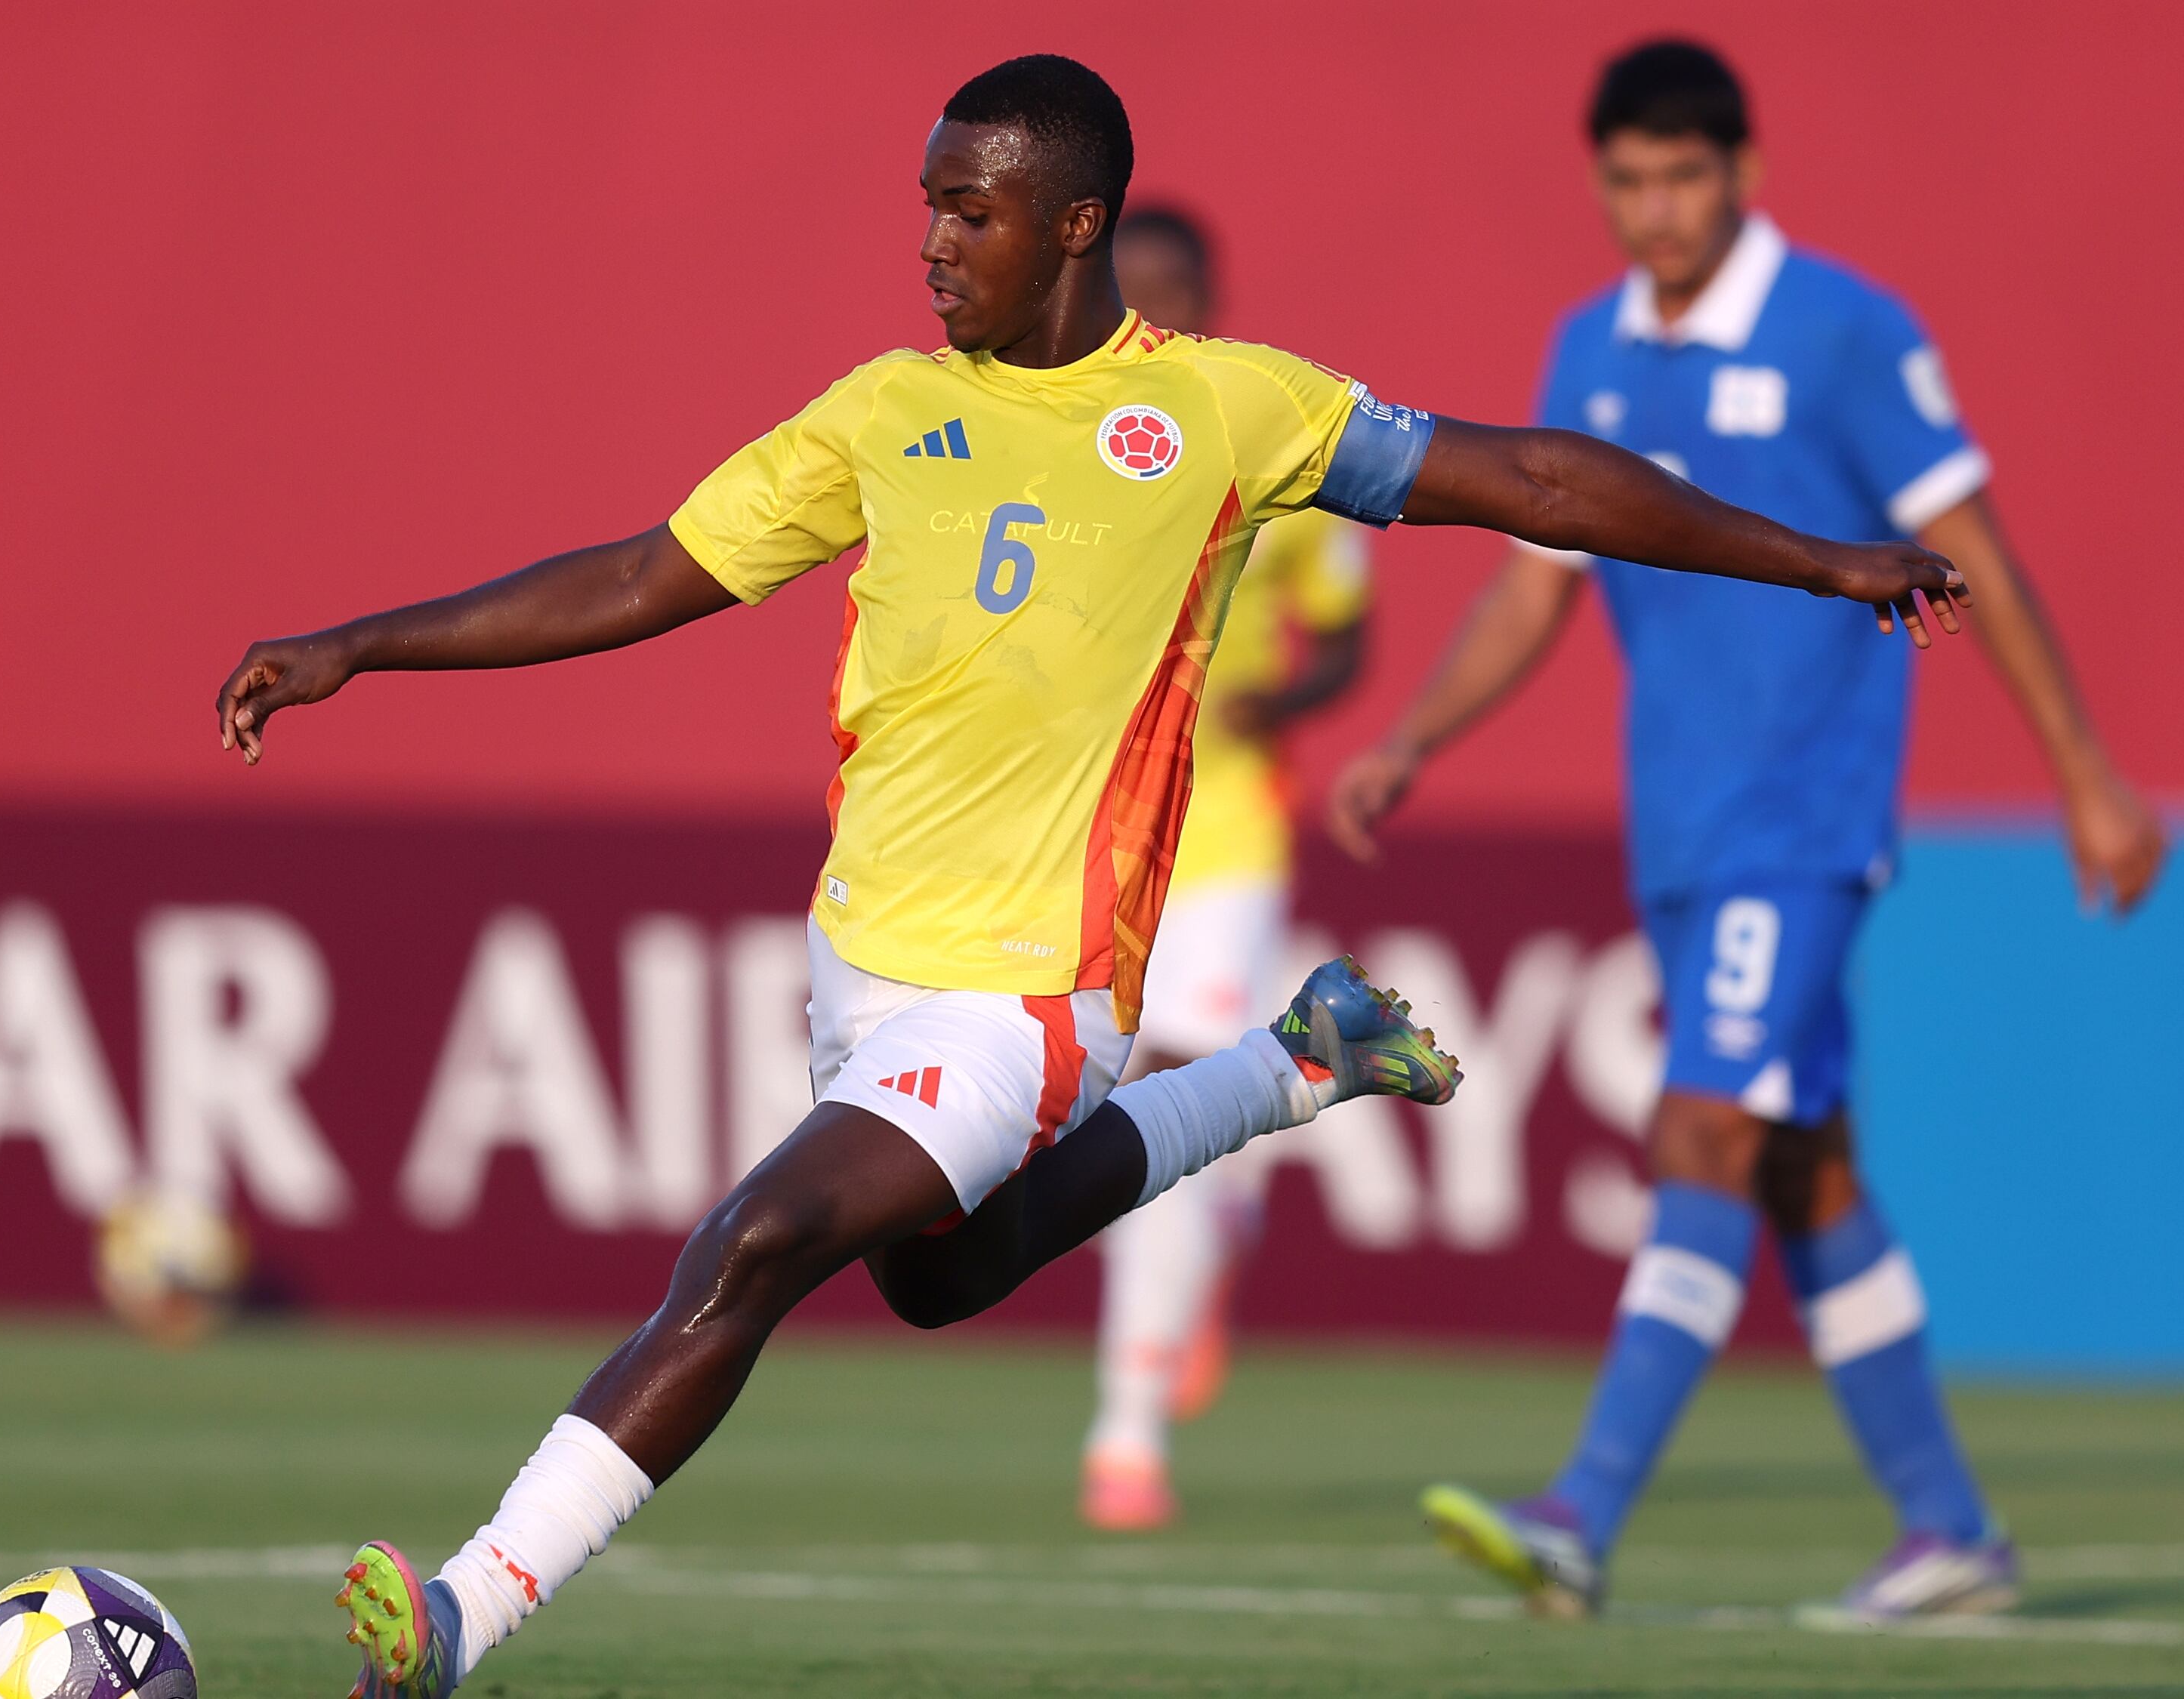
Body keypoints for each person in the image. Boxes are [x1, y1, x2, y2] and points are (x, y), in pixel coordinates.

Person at [214, 55, 1967, 1696]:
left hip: (1030, 995)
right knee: (937, 1281)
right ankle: (1289, 1067)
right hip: (862, 970)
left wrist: (1816, 560)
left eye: (969, 211)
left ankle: (463, 1614)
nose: (932, 243)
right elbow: (634, 577)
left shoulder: (1222, 409)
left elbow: (1533, 480)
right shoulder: (884, 412)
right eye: (927, 205)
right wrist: (362, 643)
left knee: (754, 1244)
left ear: (1074, 223)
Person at [1328, 40, 2166, 1623]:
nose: (1657, 209)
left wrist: (2084, 774)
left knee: (1703, 1128)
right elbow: (1533, 587)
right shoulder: (1590, 350)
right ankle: (1950, 1529)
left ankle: (1582, 1512)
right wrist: (1415, 738)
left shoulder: (1844, 328)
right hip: (1685, 826)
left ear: (1743, 173)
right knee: (1801, 1169)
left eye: (1684, 177)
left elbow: (1972, 549)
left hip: (1803, 817)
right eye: (1629, 181)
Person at [1077, 205, 1375, 1531]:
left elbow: (1347, 634)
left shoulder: (1272, 444)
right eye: (1131, 293)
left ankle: (1124, 1438)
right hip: (1099, 836)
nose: (1155, 318)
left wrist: (1286, 699)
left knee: (1165, 1087)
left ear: (1213, 297)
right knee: (1149, 1116)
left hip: (1230, 829)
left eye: (1176, 293)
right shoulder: (1069, 446)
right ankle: (1226, 1212)